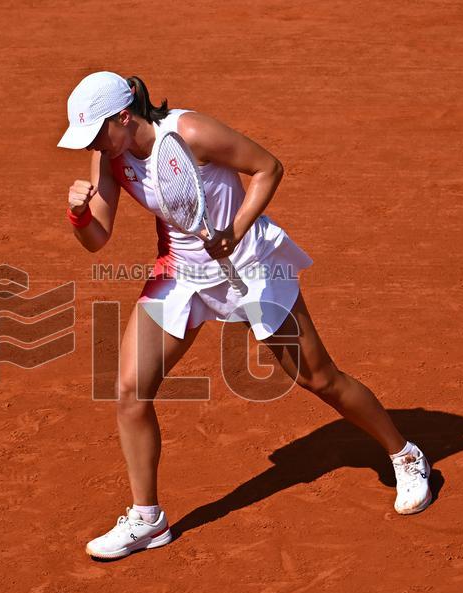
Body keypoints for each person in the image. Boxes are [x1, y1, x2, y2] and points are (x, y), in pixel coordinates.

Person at [57, 71, 432, 561]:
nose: (94, 145)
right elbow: (97, 239)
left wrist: (235, 229)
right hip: (181, 274)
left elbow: (268, 168)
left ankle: (406, 454)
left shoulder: (191, 133)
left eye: (98, 132)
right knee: (130, 390)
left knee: (319, 379)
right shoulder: (109, 152)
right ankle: (148, 519)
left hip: (250, 266)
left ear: (124, 116)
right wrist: (79, 214)